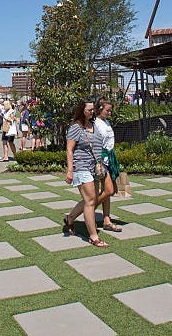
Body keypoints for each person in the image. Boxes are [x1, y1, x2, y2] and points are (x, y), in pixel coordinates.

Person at [63, 100, 110, 248]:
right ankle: (93, 236)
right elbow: (69, 150)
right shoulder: (76, 127)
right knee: (90, 200)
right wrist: (70, 171)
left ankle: (70, 218)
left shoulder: (94, 125)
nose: (92, 112)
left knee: (90, 199)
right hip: (81, 167)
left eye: (93, 110)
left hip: (94, 168)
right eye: (89, 109)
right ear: (82, 110)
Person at [94, 99, 122, 232]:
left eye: (111, 110)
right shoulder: (96, 123)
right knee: (109, 190)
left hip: (109, 157)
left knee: (107, 191)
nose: (109, 113)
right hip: (101, 158)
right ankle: (87, 208)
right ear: (99, 109)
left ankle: (106, 219)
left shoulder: (106, 122)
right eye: (107, 110)